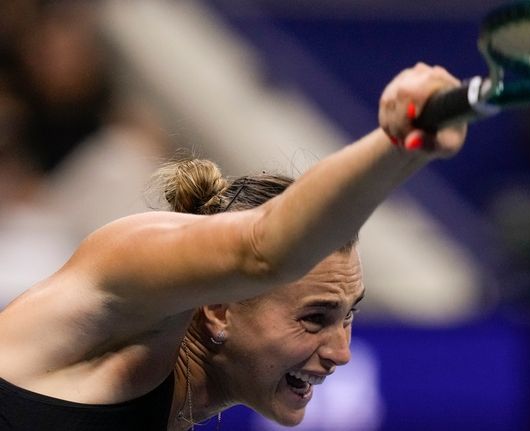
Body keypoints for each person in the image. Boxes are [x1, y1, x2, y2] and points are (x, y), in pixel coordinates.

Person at [0, 63, 467, 430]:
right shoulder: (125, 270)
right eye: (315, 317)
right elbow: (264, 250)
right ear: (219, 309)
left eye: (348, 315)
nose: (341, 351)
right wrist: (398, 145)